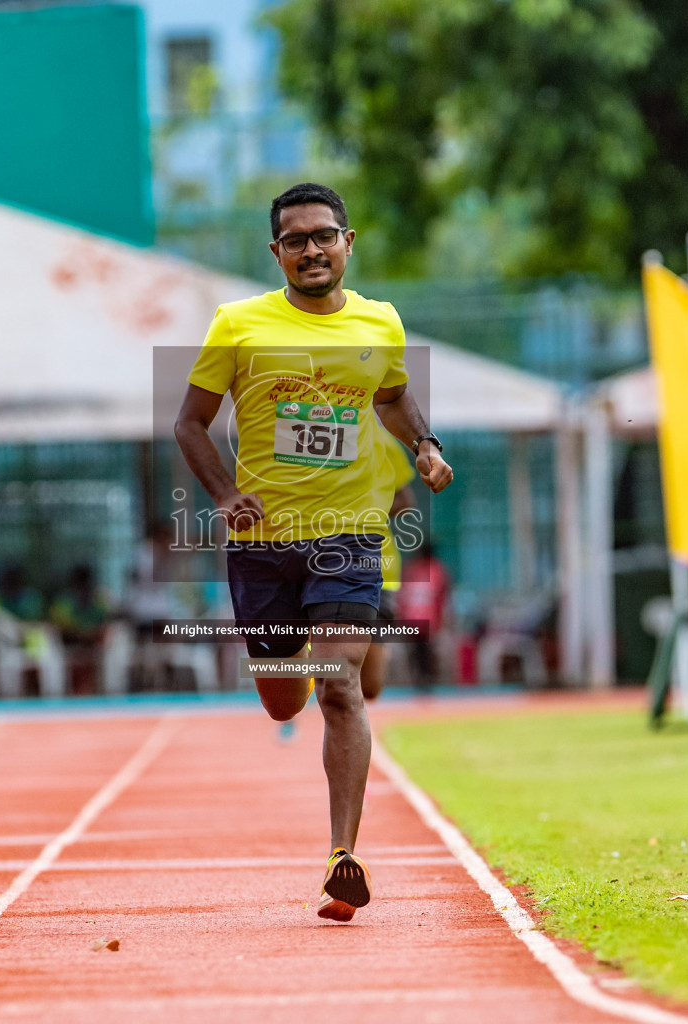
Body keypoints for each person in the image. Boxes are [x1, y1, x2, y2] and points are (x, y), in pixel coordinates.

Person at [174, 182, 454, 922]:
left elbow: (392, 396)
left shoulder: (380, 322)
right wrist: (225, 495)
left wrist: (423, 444)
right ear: (277, 254)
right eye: (295, 240)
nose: (311, 249)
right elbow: (190, 424)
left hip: (348, 535)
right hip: (263, 544)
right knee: (280, 701)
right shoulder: (238, 326)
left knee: (341, 688)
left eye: (323, 235)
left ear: (348, 242)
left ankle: (342, 858)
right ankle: (287, 664)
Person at [360, 430, 418, 702]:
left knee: (369, 686)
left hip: (378, 567)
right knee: (335, 675)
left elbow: (405, 500)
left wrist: (362, 509)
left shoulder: (381, 440)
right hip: (314, 561)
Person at [397, 541, 451, 692]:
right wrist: (441, 619)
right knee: (426, 651)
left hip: (411, 618)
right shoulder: (437, 570)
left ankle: (421, 679)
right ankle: (426, 679)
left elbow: (402, 595)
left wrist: (401, 617)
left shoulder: (412, 569)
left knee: (417, 651)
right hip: (428, 618)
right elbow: (441, 597)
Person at [49, 563, 110, 695]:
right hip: (69, 645)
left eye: (86, 583)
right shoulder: (64, 602)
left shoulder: (98, 602)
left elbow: (104, 625)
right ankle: (76, 690)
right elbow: (61, 628)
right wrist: (83, 633)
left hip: (93, 645)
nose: (83, 587)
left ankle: (94, 690)